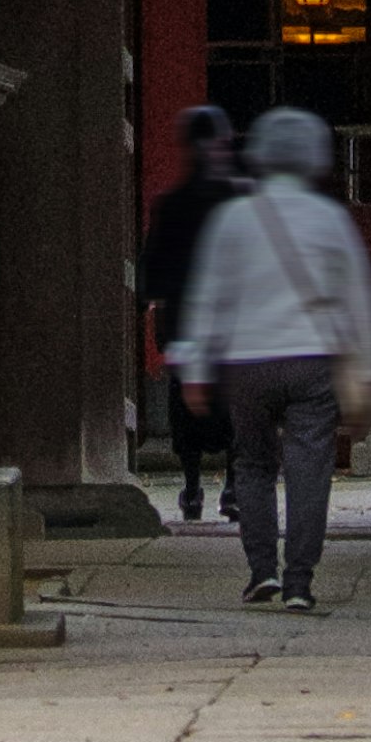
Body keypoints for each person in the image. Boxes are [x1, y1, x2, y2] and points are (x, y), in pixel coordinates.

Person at [169, 102, 371, 613]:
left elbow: (207, 296)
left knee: (254, 463)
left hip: (247, 362)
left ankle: (261, 570)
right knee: (310, 468)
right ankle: (299, 582)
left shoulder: (233, 219)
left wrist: (196, 369)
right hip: (313, 360)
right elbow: (359, 298)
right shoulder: (331, 219)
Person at [138, 103, 241, 526]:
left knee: (185, 407)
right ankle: (233, 483)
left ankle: (193, 484)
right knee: (236, 402)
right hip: (232, 319)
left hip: (183, 318)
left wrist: (146, 298)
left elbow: (153, 262)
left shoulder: (172, 203)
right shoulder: (238, 197)